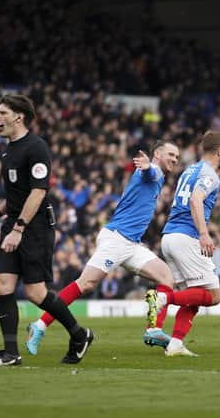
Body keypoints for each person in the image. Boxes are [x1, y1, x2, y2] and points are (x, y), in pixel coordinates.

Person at [24, 141, 180, 355]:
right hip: (116, 240)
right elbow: (150, 173)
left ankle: (154, 329)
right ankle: (39, 325)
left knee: (166, 278)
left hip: (131, 244)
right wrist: (148, 166)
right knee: (85, 283)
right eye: (171, 154)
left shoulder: (156, 176)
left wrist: (150, 167)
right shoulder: (153, 174)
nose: (175, 159)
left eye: (177, 157)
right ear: (158, 154)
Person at [0, 94, 93, 366]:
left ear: (19, 116)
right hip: (12, 222)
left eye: (2, 113)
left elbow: (38, 192)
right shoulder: (6, 150)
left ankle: (79, 334)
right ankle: (10, 353)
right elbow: (17, 194)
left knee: (35, 293)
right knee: (3, 284)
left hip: (35, 227)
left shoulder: (37, 148)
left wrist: (18, 229)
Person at [146, 130, 220, 356]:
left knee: (194, 295)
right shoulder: (210, 174)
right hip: (187, 237)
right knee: (213, 296)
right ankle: (163, 298)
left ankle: (175, 344)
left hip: (170, 236)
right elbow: (196, 199)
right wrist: (204, 234)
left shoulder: (189, 170)